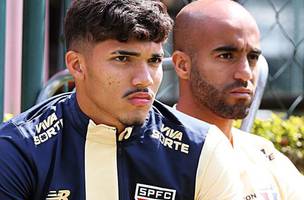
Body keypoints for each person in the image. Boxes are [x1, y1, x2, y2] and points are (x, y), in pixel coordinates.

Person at [0, 0, 243, 199]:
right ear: (77, 65)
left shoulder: (203, 148)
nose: (144, 79)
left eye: (154, 61)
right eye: (123, 59)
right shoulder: (18, 148)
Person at [172, 0, 304, 199]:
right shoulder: (153, 156)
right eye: (226, 56)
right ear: (183, 65)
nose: (245, 73)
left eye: (252, 57)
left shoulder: (264, 155)